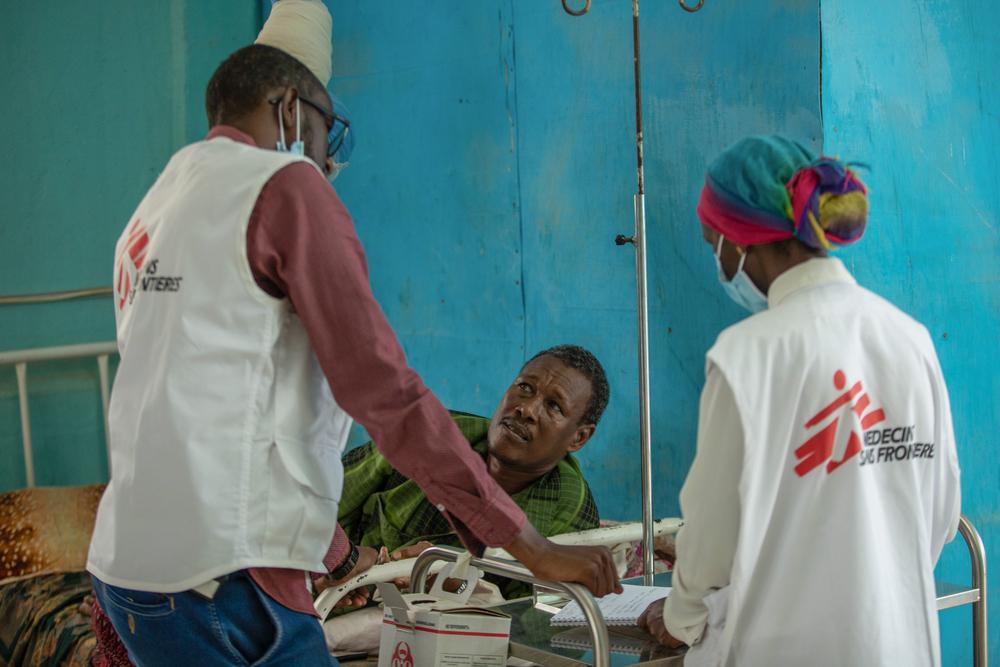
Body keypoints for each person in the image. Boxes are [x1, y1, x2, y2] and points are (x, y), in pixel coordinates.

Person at [86, 41, 618, 667]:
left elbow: (223, 413)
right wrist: (531, 546)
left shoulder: (160, 202)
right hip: (220, 574)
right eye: (322, 130)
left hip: (129, 568)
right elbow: (385, 390)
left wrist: (339, 554)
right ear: (288, 110)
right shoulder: (286, 187)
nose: (326, 159)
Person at [638, 135, 961, 666]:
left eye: (711, 242)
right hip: (897, 643)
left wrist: (681, 618)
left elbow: (713, 538)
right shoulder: (909, 338)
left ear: (739, 242)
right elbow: (940, 513)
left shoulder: (748, 355)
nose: (718, 262)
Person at [337, 344, 609, 598]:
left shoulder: (568, 509)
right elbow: (326, 504)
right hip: (330, 591)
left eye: (554, 406)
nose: (526, 409)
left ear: (578, 437)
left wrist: (458, 586)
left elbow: (539, 629)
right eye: (525, 387)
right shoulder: (433, 436)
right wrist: (344, 560)